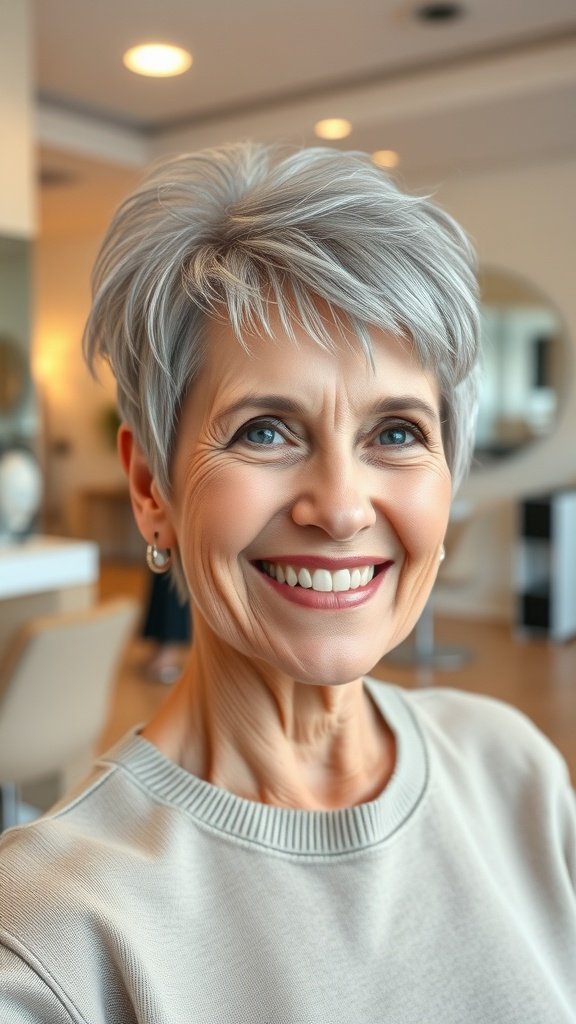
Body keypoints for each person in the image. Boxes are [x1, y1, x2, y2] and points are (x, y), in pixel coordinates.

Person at [1, 142, 574, 1023]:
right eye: (266, 430)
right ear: (151, 486)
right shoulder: (53, 933)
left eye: (395, 432)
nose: (342, 508)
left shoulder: (515, 772)